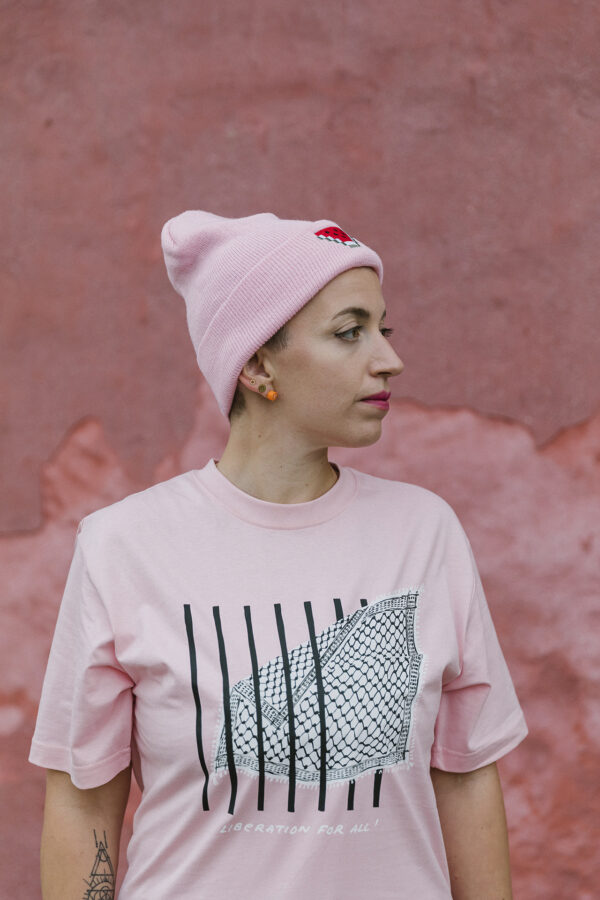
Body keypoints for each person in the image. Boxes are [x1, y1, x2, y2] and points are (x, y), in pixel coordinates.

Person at [30, 210, 528, 900]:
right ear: (259, 362)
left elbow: (467, 774)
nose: (388, 358)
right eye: (349, 332)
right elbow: (84, 797)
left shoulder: (424, 533)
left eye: (383, 328)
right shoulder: (124, 546)